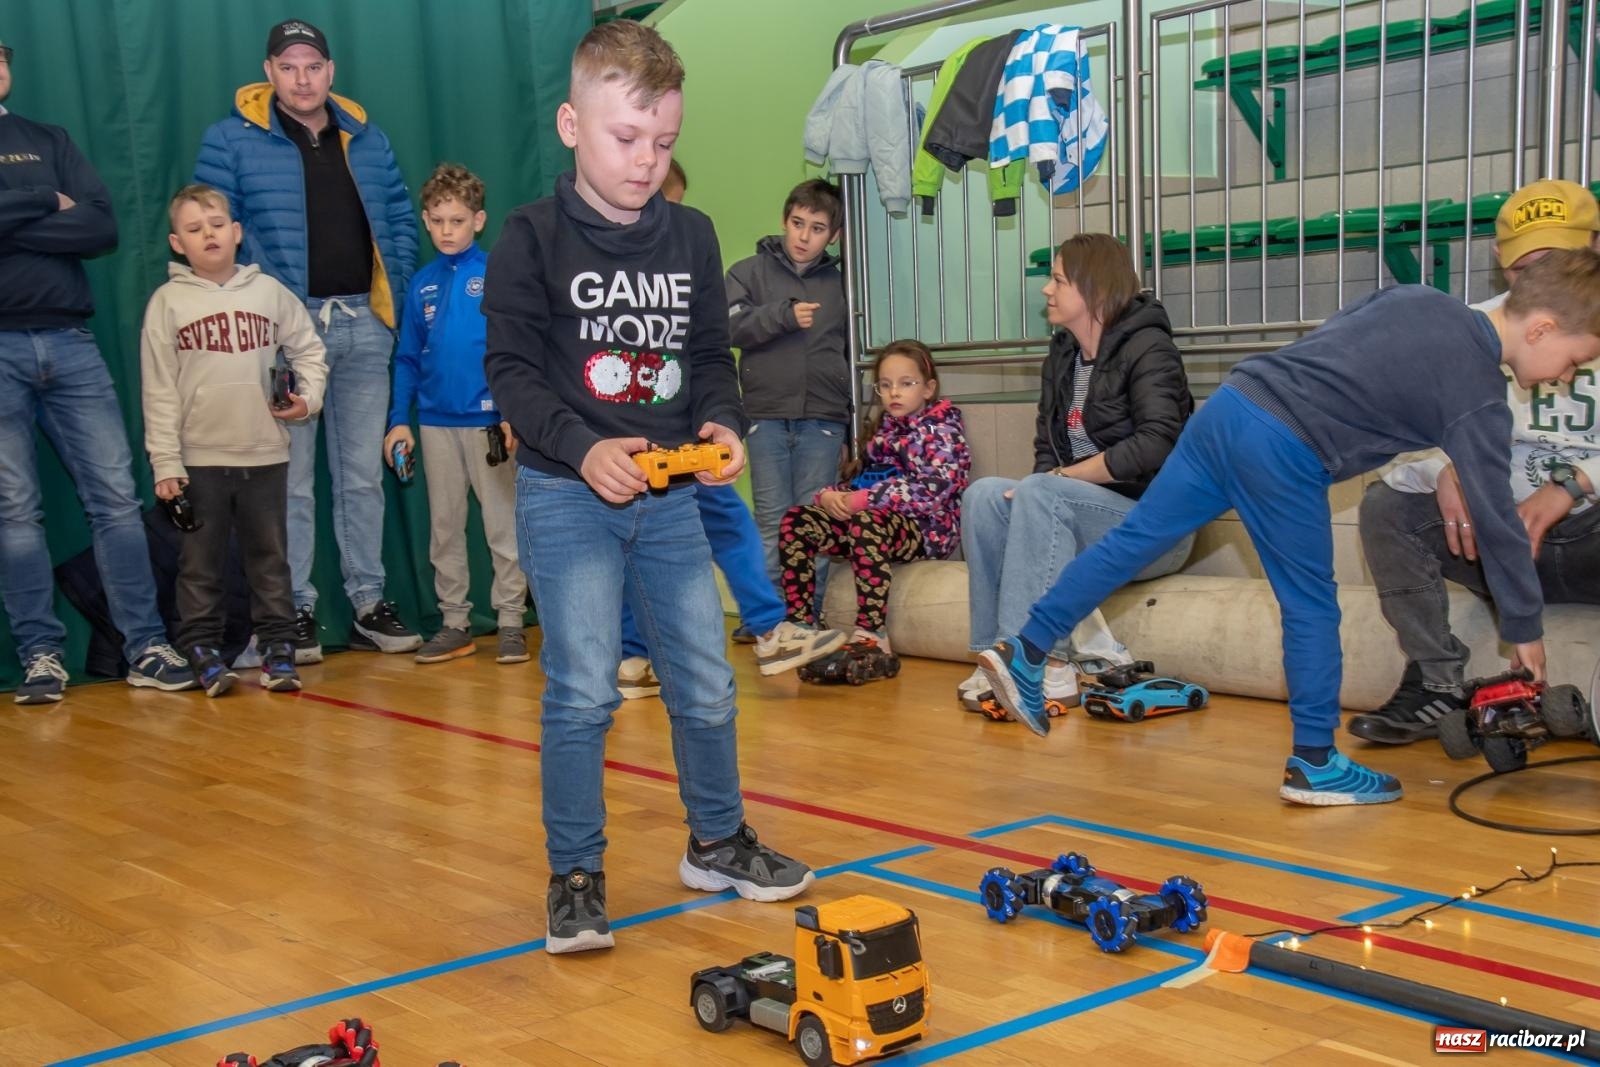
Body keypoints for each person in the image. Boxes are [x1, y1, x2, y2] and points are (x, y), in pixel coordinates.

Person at [979, 249, 1600, 806]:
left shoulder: (1420, 299)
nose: (1566, 377)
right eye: (1574, 360)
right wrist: (1524, 627)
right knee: (1310, 607)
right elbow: (1497, 521)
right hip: (1284, 446)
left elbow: (1332, 343)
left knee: (1132, 540)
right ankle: (1316, 763)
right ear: (1541, 328)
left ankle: (1026, 650)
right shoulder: (1481, 396)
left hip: (1233, 405)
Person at [482, 20, 813, 955]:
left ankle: (717, 840)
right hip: (567, 494)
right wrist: (582, 449)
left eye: (664, 142)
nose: (646, 160)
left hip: (671, 501)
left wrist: (725, 422)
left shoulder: (692, 235)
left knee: (705, 680)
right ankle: (575, 873)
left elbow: (708, 357)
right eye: (626, 137)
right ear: (571, 125)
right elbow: (512, 373)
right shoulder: (529, 237)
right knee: (583, 690)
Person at [194, 19, 419, 663]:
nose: (302, 79)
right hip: (286, 337)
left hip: (364, 323)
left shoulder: (367, 137)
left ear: (330, 71)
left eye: (313, 66)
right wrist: (266, 311)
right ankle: (290, 611)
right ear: (269, 72)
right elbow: (217, 228)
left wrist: (395, 288)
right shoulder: (230, 139)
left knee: (362, 478)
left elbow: (399, 216)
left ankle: (369, 602)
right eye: (289, 67)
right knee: (289, 482)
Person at [1350, 180, 1600, 744]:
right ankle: (1435, 681)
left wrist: (1574, 482)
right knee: (1387, 507)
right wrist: (1446, 467)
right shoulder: (1471, 328)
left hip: (1590, 536)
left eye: (1560, 260)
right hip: (1496, 543)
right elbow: (1397, 445)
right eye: (1525, 268)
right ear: (1499, 260)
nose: (1542, 281)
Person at [0, 39, 195, 703]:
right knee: (15, 510)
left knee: (115, 499)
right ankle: (40, 656)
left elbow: (99, 229)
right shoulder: (42, 170)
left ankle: (146, 645)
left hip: (71, 342)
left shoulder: (47, 138)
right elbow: (67, 220)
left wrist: (16, 220)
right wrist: (42, 200)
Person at [616, 161, 844, 699]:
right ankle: (755, 631)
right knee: (675, 526)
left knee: (713, 520)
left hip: (685, 418)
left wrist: (718, 415)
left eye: (674, 204)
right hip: (642, 421)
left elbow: (709, 350)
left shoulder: (678, 256)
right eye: (661, 202)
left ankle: (650, 654)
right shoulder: (636, 263)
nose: (667, 214)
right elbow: (724, 332)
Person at [960, 234, 1193, 715]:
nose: (1046, 289)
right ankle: (992, 657)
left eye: (1059, 280)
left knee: (1044, 490)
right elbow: (1046, 449)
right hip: (1080, 511)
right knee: (983, 495)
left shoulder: (1150, 347)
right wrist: (1044, 486)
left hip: (1156, 526)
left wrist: (1059, 481)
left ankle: (1043, 663)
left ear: (1095, 289)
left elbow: (1156, 443)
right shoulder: (1063, 353)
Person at [141, 184, 328, 697]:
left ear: (237, 232)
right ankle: (201, 649)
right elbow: (158, 389)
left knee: (270, 560)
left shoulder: (268, 292)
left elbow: (310, 349)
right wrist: (166, 462)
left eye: (217, 225)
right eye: (195, 229)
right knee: (200, 565)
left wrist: (307, 400)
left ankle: (278, 649)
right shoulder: (167, 303)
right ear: (177, 243)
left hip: (265, 454)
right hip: (199, 460)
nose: (209, 235)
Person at [382, 163, 529, 667]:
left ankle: (511, 621)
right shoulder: (421, 284)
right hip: (435, 424)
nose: (447, 231)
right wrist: (398, 420)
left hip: (489, 424)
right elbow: (407, 359)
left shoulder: (495, 275)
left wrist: (510, 412)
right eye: (438, 221)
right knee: (444, 528)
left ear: (479, 221)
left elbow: (514, 350)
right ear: (425, 221)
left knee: (501, 526)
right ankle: (454, 622)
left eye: (458, 221)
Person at [778, 339, 971, 664]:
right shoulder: (884, 432)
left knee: (867, 520)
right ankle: (800, 626)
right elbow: (862, 482)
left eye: (906, 383)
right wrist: (829, 496)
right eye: (885, 385)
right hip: (872, 523)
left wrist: (866, 500)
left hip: (926, 531)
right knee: (797, 520)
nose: (894, 392)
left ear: (928, 388)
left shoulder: (942, 432)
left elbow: (932, 493)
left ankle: (872, 634)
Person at [727, 178, 850, 579]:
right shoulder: (746, 273)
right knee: (771, 522)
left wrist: (850, 432)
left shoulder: (845, 283)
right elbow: (727, 327)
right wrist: (782, 315)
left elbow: (849, 353)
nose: (804, 236)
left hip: (824, 420)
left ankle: (809, 612)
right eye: (798, 223)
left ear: (834, 236)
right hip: (765, 416)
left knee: (814, 521)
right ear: (784, 220)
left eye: (817, 228)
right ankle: (772, 612)